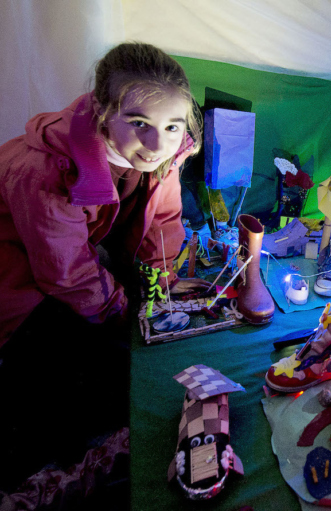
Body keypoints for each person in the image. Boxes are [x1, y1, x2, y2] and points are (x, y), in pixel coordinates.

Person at [0, 42, 208, 495]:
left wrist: (160, 287)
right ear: (101, 111)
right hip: (14, 285)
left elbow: (163, 225)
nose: (157, 144)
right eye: (139, 123)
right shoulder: (44, 169)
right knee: (97, 382)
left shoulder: (164, 155)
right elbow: (67, 274)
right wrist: (128, 315)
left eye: (173, 126)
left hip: (66, 268)